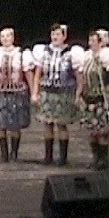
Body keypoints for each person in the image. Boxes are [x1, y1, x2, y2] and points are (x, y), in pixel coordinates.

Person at [32, 23, 83, 165]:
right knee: (47, 123)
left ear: (64, 36)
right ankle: (48, 156)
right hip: (47, 91)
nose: (55, 37)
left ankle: (62, 158)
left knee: (61, 124)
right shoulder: (44, 52)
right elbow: (38, 74)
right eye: (53, 34)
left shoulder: (71, 53)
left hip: (64, 92)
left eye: (58, 34)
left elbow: (78, 76)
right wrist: (35, 92)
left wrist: (78, 93)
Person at [0, 26, 34, 162]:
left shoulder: (21, 54)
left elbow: (28, 74)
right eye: (3, 36)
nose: (5, 39)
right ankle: (4, 154)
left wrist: (34, 92)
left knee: (15, 125)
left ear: (13, 38)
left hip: (17, 92)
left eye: (8, 36)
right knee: (0, 124)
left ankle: (14, 153)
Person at [78, 28, 109, 170]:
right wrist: (79, 93)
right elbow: (81, 74)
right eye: (89, 40)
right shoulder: (87, 55)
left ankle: (104, 161)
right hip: (89, 97)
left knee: (102, 131)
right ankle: (96, 158)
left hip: (102, 98)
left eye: (93, 40)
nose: (90, 43)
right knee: (92, 131)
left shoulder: (107, 54)